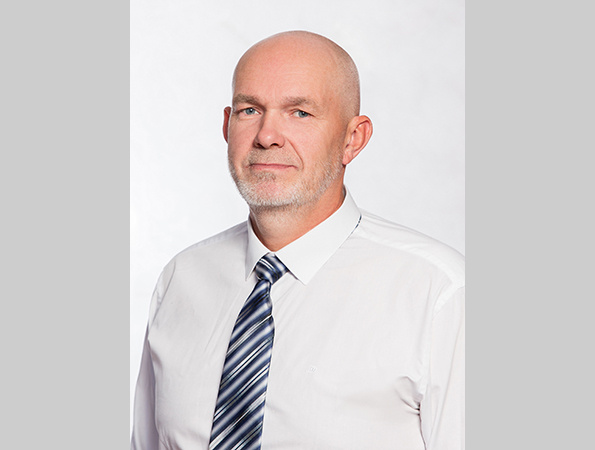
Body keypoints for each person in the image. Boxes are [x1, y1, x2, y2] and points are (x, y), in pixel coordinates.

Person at [131, 30, 464, 450]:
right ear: (226, 125)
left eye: (300, 113)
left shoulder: (438, 294)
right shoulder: (181, 280)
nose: (267, 135)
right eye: (250, 110)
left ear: (352, 139)